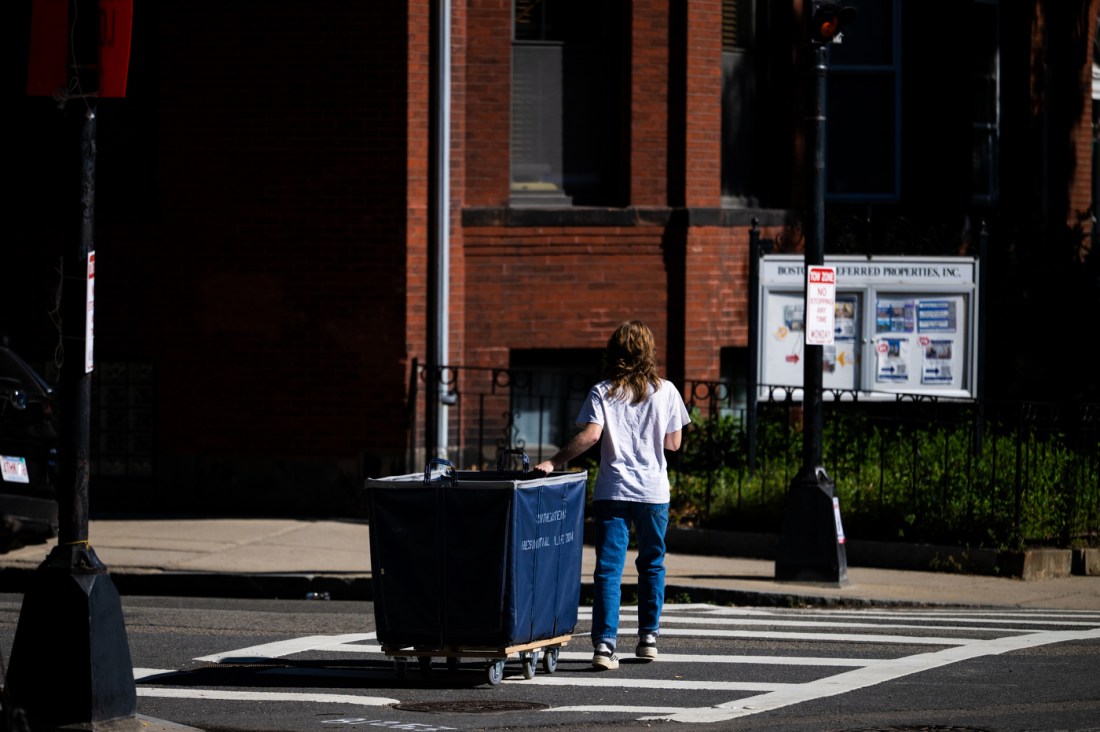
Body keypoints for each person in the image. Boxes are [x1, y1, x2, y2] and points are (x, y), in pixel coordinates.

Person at [534, 320, 691, 670]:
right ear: (649, 352)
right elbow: (674, 443)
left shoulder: (602, 392)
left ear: (615, 351)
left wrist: (554, 461)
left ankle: (605, 646)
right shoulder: (666, 391)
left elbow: (590, 436)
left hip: (613, 490)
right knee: (652, 564)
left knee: (608, 570)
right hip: (653, 492)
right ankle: (648, 637)